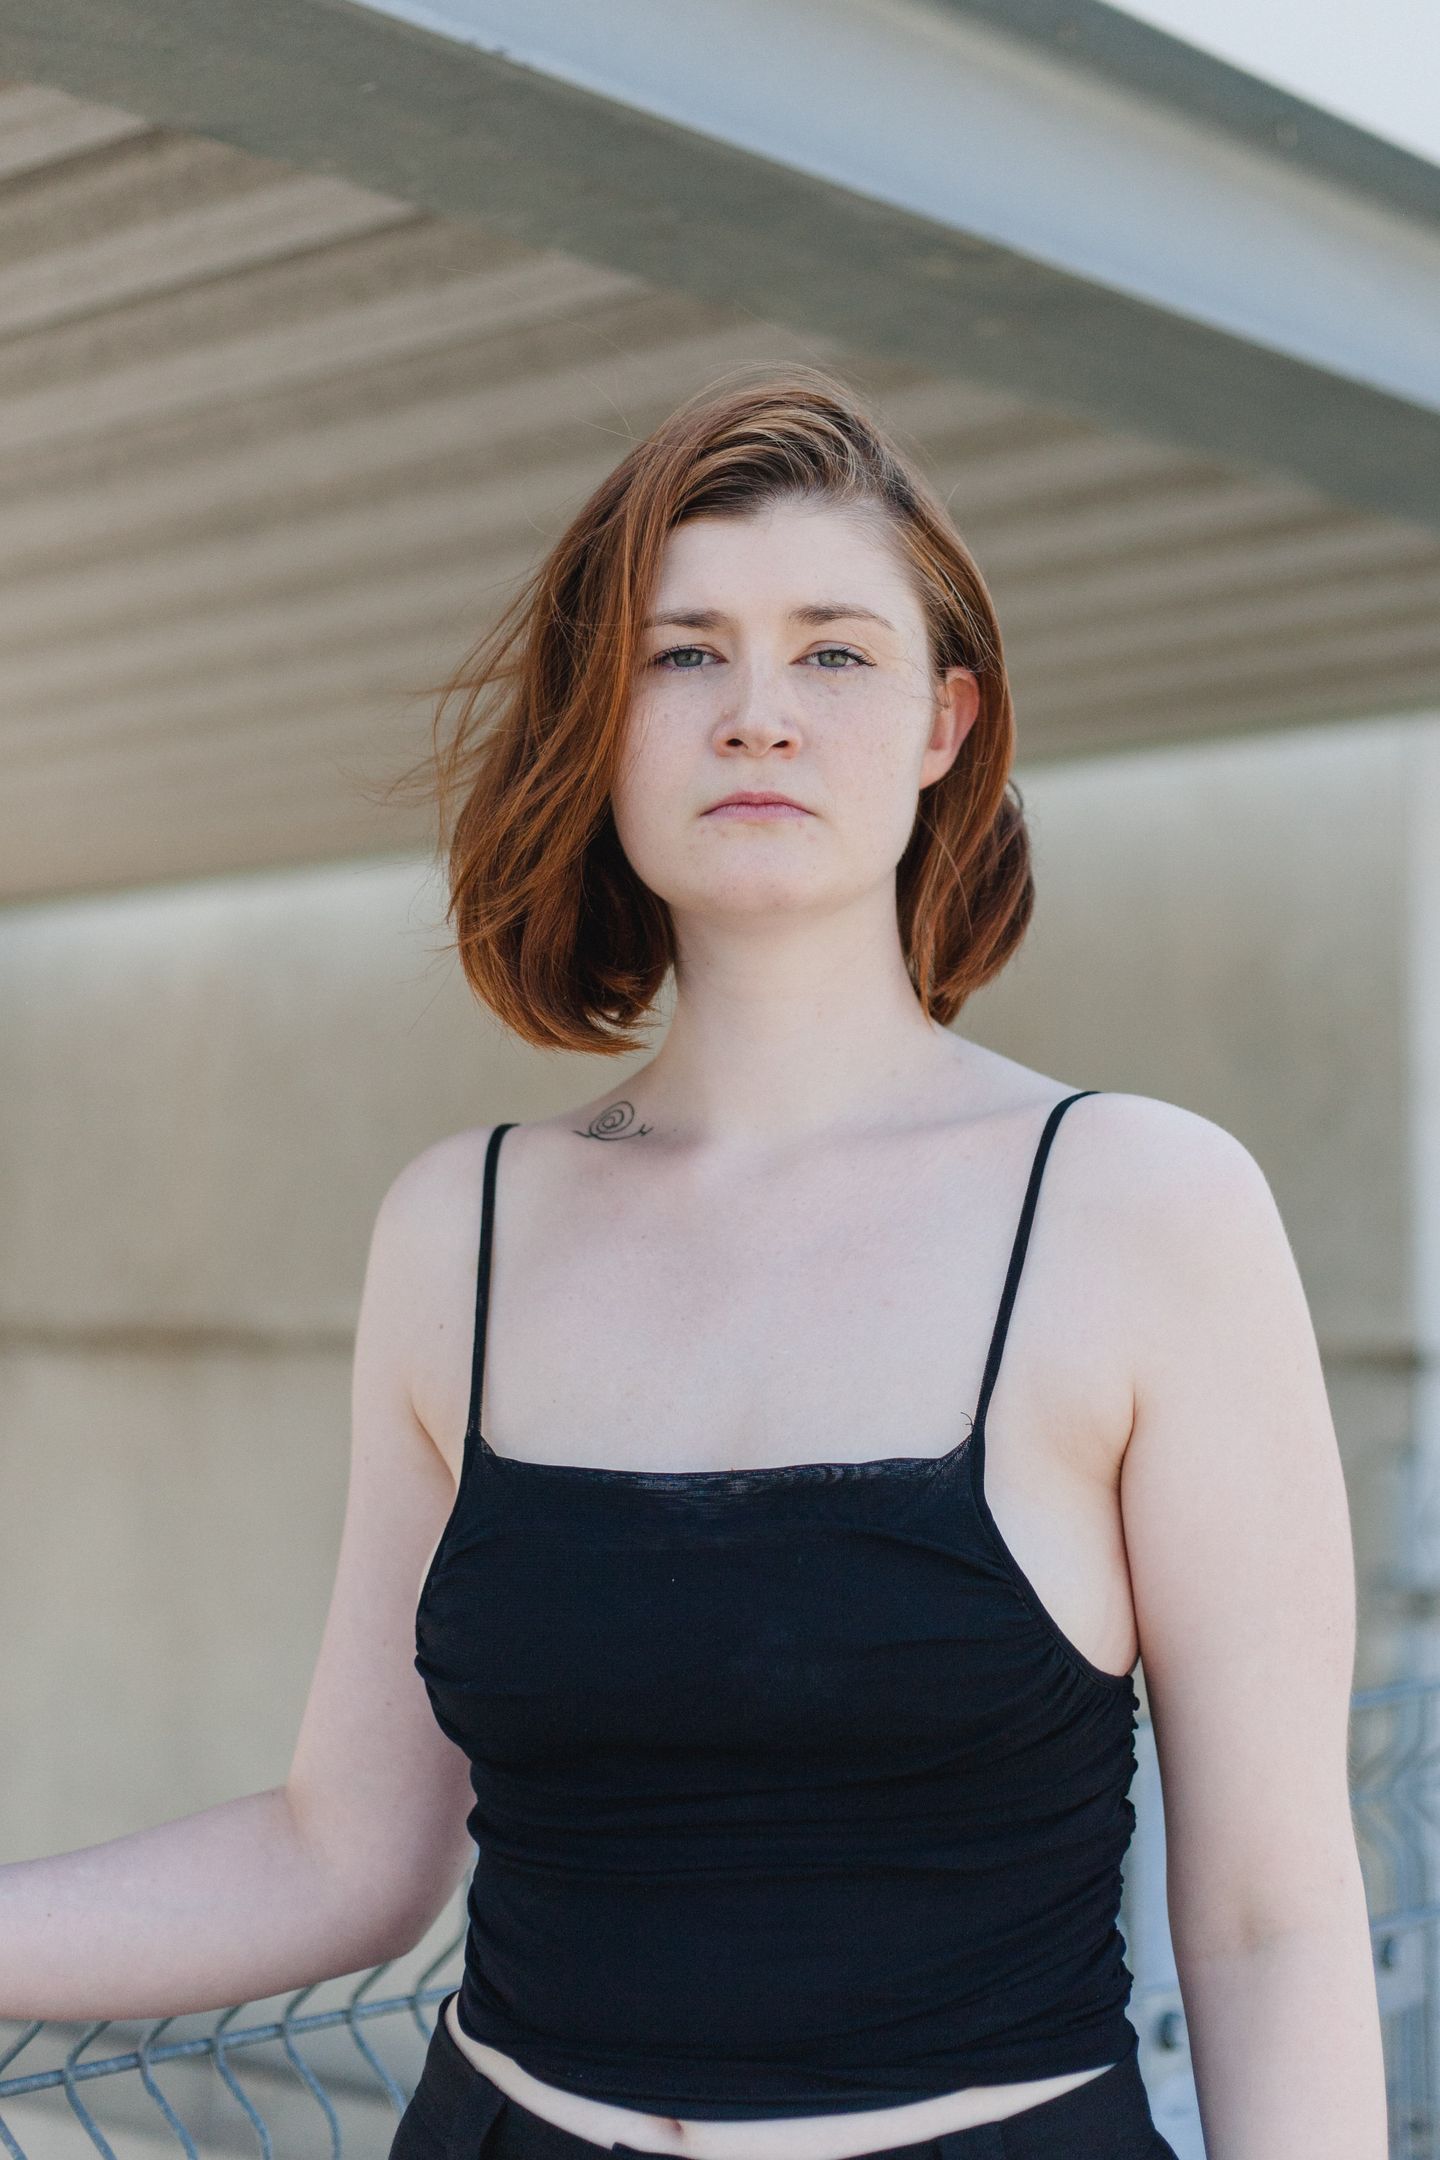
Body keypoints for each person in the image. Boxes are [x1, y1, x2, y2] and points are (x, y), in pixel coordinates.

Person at [0, 367, 1386, 2160]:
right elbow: (343, 1857)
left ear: (945, 721)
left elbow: (1271, 1921)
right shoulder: (458, 1229)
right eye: (683, 655)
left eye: (833, 653)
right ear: (603, 724)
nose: (757, 716)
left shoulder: (1143, 1208)